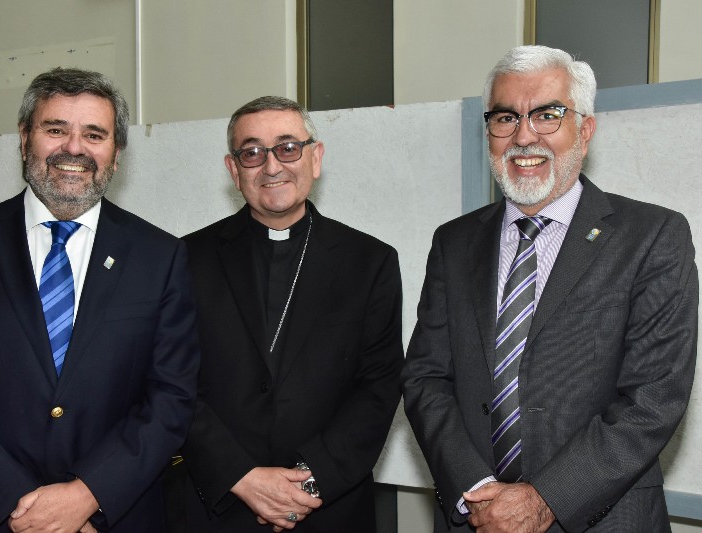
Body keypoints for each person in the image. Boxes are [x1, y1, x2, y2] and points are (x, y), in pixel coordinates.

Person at [402, 45, 698, 532]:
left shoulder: (652, 236)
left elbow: (654, 396)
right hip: (475, 515)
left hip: (602, 519)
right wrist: (476, 488)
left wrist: (545, 499)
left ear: (585, 129)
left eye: (547, 115)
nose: (523, 136)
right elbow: (425, 378)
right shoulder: (453, 242)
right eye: (506, 118)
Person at [0, 67, 200, 532]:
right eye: (56, 129)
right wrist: (16, 505)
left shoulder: (160, 257)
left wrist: (87, 495)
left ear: (117, 153)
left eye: (94, 134)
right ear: (25, 139)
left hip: (111, 517)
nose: (74, 148)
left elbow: (171, 396)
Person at [173, 96, 404, 532]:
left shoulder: (368, 261)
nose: (272, 165)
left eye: (287, 148)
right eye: (252, 152)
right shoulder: (185, 258)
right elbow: (173, 381)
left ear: (315, 158)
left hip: (329, 507)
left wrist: (307, 485)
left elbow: (378, 386)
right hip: (217, 504)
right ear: (233, 170)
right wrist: (240, 476)